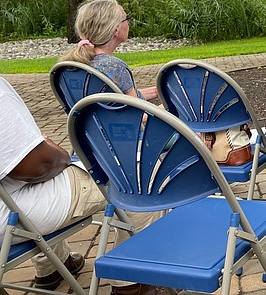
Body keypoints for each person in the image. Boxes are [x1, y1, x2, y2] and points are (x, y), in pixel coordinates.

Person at [0, 77, 160, 295]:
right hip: (11, 212)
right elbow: (38, 165)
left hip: (13, 201)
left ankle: (51, 268)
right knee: (140, 176)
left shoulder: (68, 71)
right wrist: (57, 151)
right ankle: (130, 283)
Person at [60, 0, 158, 101]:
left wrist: (159, 91)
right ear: (116, 30)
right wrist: (173, 107)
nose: (128, 23)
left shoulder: (73, 64)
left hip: (91, 117)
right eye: (126, 19)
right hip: (124, 117)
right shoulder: (115, 67)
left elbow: (123, 96)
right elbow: (139, 114)